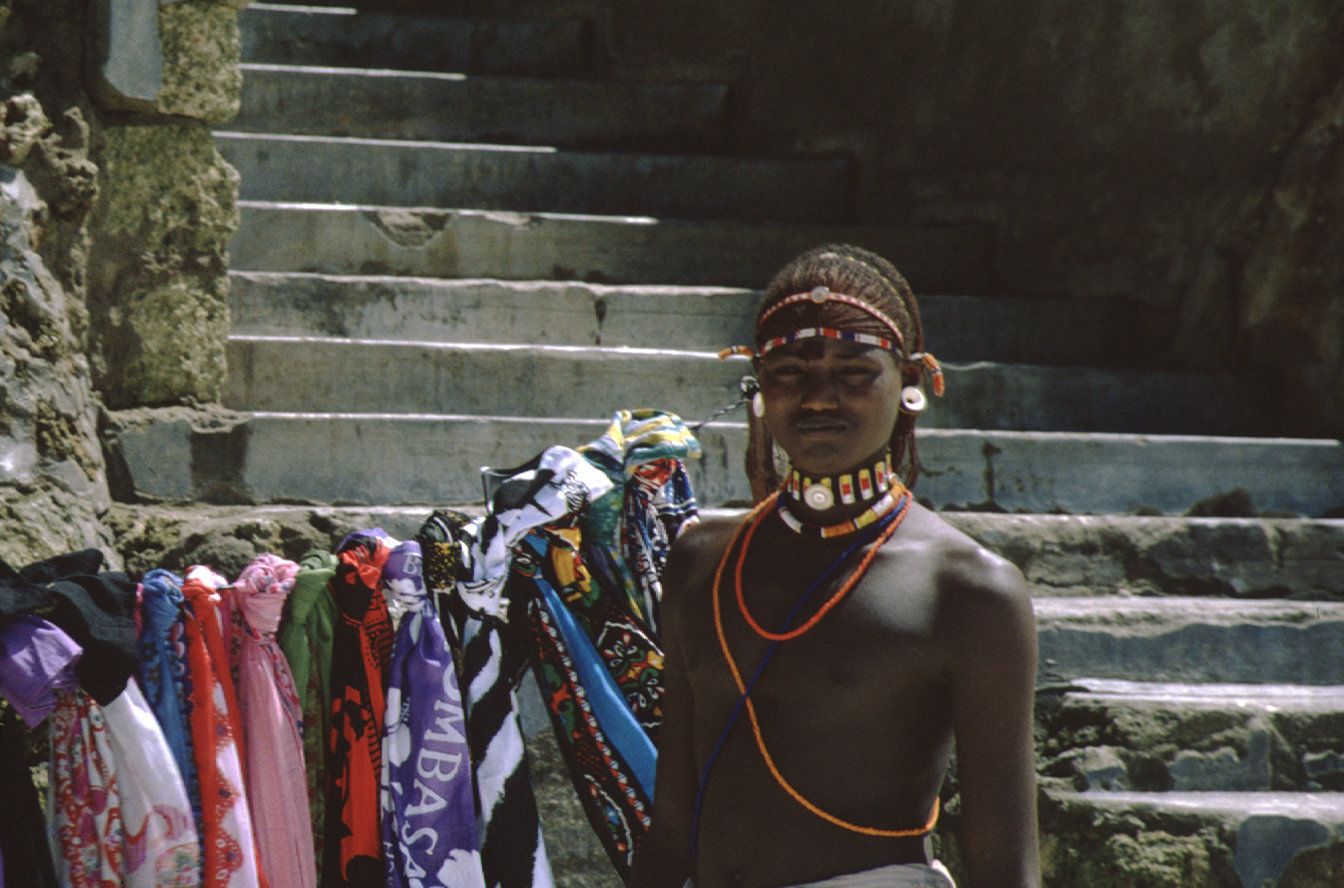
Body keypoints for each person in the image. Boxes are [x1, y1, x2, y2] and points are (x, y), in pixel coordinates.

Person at [630, 245, 1040, 888]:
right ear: (758, 390)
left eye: (854, 373)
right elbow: (672, 826)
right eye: (789, 371)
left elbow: (1004, 864)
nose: (819, 399)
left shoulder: (968, 589)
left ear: (909, 382)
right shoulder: (700, 560)